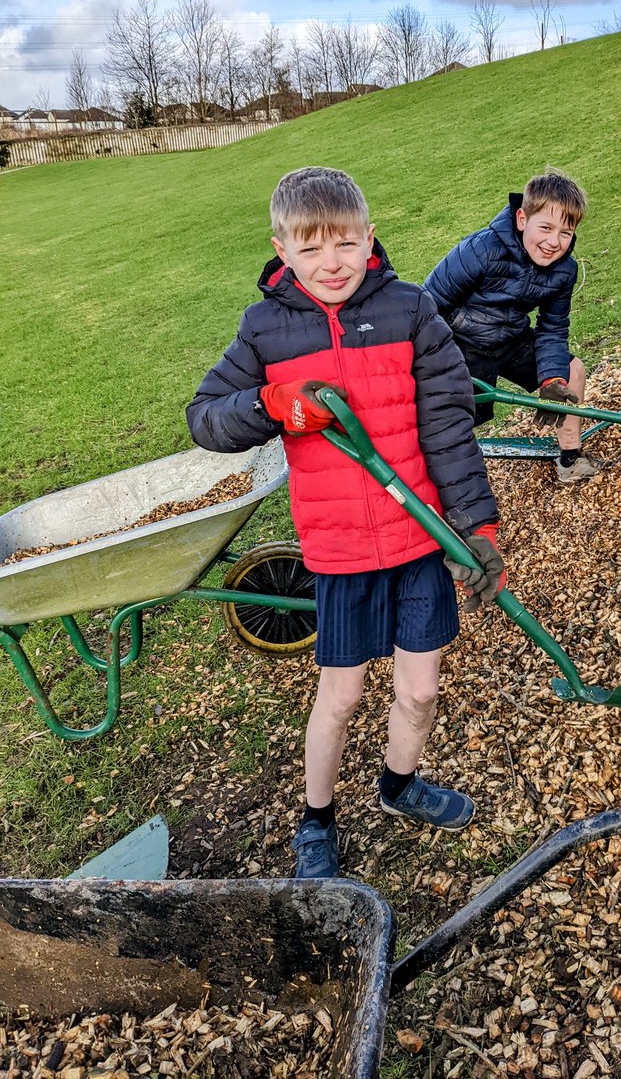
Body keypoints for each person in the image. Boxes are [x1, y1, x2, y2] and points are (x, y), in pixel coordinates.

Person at [187, 166, 505, 879]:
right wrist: (273, 405)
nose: (330, 263)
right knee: (343, 694)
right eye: (310, 248)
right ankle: (317, 817)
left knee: (420, 689)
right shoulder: (266, 327)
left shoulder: (411, 311)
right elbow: (204, 417)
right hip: (339, 550)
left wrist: (476, 528)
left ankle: (399, 784)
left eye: (344, 243)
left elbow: (449, 425)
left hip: (420, 539)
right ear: (282, 249)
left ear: (370, 238)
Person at [423, 168, 599, 482]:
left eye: (565, 233)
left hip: (510, 340)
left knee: (572, 372)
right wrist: (436, 363)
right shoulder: (481, 250)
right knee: (453, 421)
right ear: (521, 219)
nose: (553, 242)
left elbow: (552, 328)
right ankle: (441, 482)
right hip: (461, 343)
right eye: (545, 227)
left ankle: (570, 459)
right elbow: (428, 304)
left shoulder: (564, 271)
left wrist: (551, 379)